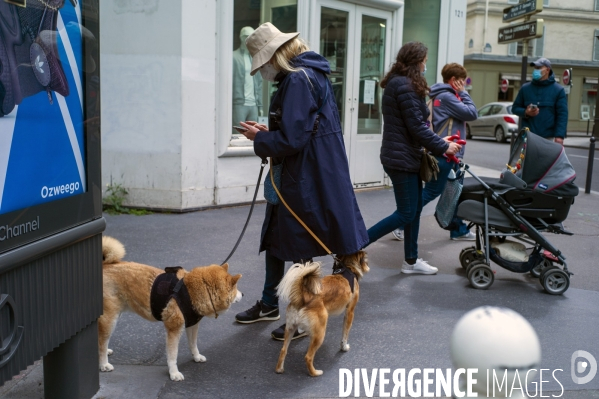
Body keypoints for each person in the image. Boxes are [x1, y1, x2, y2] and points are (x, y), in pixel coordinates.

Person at [234, 22, 368, 340]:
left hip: (303, 175)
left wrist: (259, 138)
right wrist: (269, 135)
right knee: (280, 237)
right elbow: (302, 132)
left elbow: (293, 138)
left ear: (274, 57)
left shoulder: (297, 79)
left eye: (264, 63)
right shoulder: (311, 74)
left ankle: (303, 312)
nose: (264, 71)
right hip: (311, 170)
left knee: (297, 242)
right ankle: (272, 303)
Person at [365, 42, 461, 275]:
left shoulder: (398, 83)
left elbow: (413, 127)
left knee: (414, 209)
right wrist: (443, 146)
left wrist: (440, 141)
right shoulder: (406, 86)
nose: (426, 64)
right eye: (425, 60)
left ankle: (411, 261)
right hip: (402, 159)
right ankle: (354, 245)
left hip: (403, 155)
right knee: (407, 212)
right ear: (417, 61)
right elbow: (417, 127)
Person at [392, 63, 478, 242]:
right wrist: (463, 93)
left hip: (445, 150)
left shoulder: (439, 96)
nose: (464, 85)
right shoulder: (448, 97)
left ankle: (457, 228)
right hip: (447, 152)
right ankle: (400, 223)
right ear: (453, 80)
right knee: (432, 191)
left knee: (453, 190)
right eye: (462, 82)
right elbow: (472, 113)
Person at [512, 57, 568, 145]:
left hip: (547, 138)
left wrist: (559, 136)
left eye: (539, 68)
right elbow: (515, 108)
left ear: (547, 70)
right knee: (527, 159)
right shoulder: (525, 88)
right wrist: (526, 112)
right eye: (535, 68)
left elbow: (562, 115)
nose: (535, 71)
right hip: (528, 137)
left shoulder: (558, 90)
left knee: (545, 159)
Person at [232, 26, 263, 138]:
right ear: (240, 38)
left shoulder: (255, 58)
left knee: (254, 135)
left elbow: (259, 83)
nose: (247, 40)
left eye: (250, 37)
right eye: (245, 36)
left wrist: (260, 105)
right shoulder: (233, 57)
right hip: (239, 103)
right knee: (238, 134)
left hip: (253, 104)